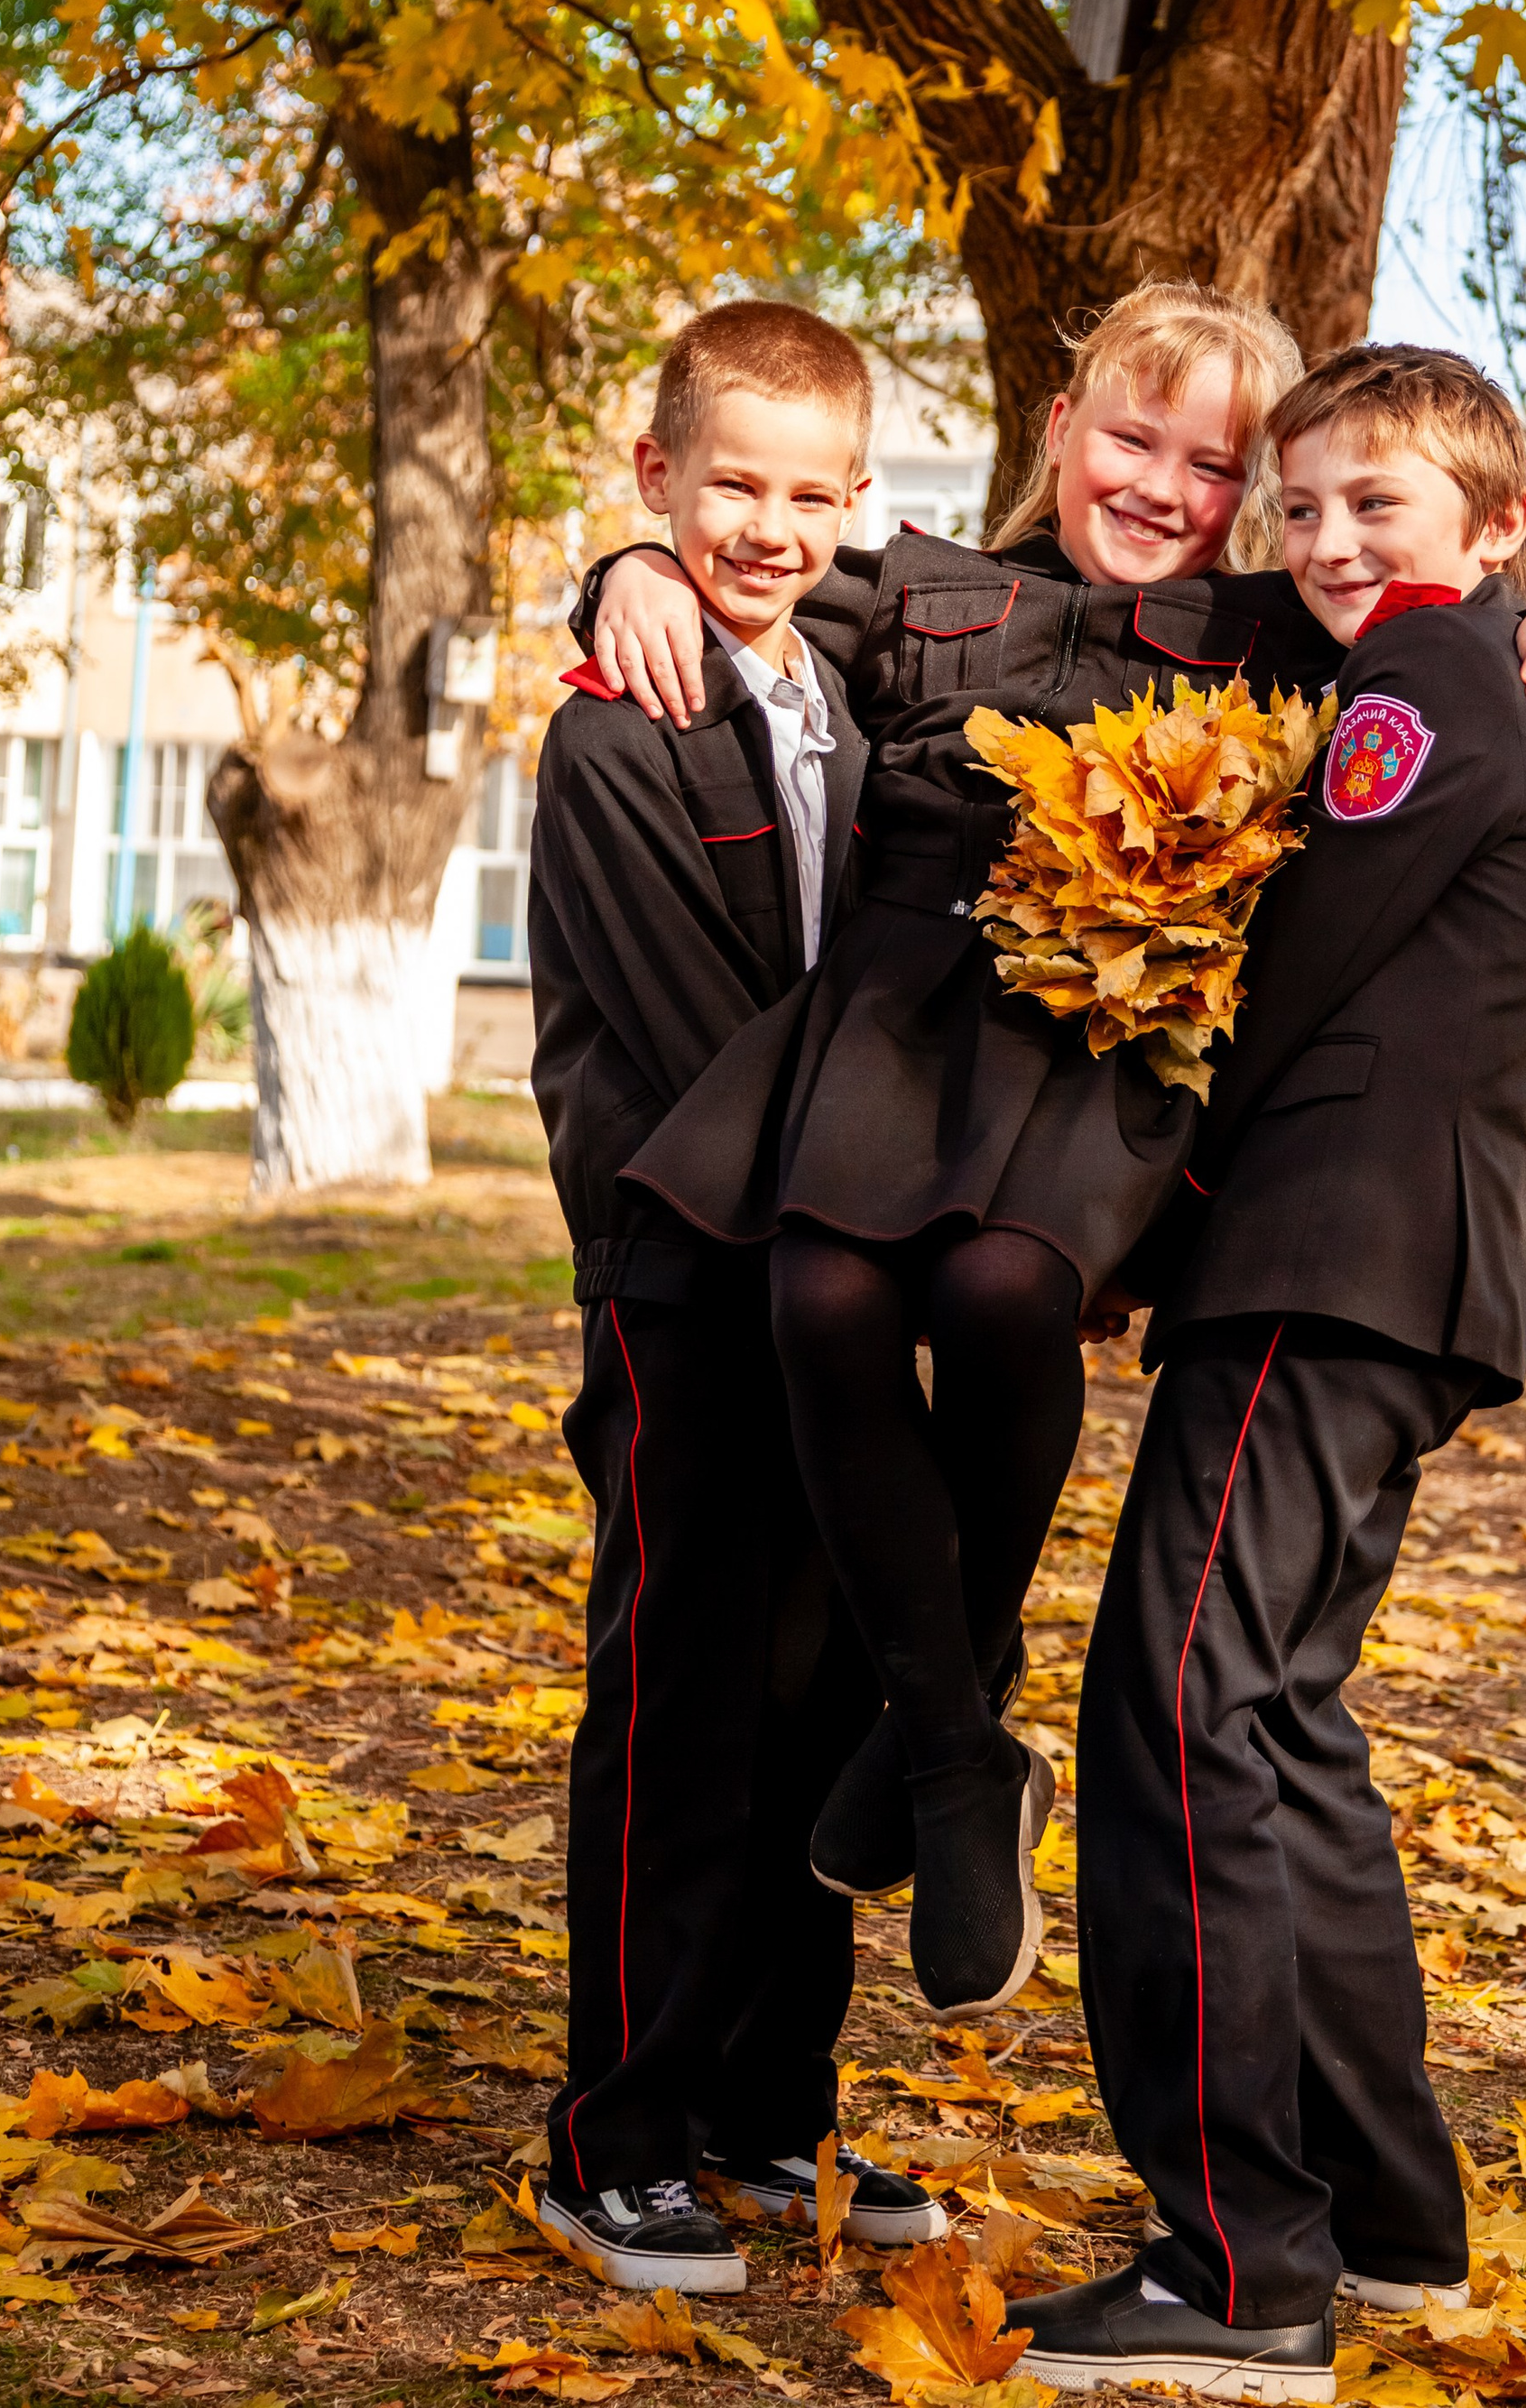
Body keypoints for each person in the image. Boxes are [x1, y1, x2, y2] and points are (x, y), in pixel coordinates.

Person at [576, 290, 1526, 2030]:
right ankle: (951, 1744)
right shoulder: (919, 586)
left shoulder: (1284, 631)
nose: (1163, 487)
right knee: (819, 1291)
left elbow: (1444, 672)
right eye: (1131, 439)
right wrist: (620, 565)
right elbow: (744, 575)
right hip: (904, 1024)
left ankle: (941, 1727)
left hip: (1102, 1047)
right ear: (1058, 422)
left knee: (1002, 1294)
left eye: (1218, 467)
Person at [1011, 344, 1526, 2402]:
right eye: (1304, 511)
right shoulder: (1473, 680)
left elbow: (1273, 984)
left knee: (1175, 1707)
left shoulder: (1425, 696)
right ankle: (1383, 2217)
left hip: (1320, 1261)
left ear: (1496, 532)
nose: (1329, 541)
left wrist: (1114, 1230)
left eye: (1380, 505)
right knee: (1278, 1717)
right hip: (1396, 1273)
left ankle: (1234, 2261)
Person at [529, 299, 940, 2291]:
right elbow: (721, 1051)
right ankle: (619, 2126)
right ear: (653, 480)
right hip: (683, 1266)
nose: (765, 530)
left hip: (833, 1282)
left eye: (807, 495)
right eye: (725, 490)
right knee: (685, 1687)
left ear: (855, 508)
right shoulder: (616, 722)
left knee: (813, 1684)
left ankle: (768, 2102)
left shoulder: (847, 688)